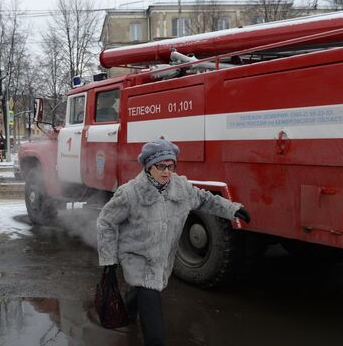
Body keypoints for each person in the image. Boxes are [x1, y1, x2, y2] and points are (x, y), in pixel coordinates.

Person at [96, 138, 250, 345]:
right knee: (152, 310)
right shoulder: (130, 193)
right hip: (137, 256)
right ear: (149, 166)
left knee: (142, 290)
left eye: (171, 165)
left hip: (162, 256)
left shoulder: (181, 188)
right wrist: (109, 261)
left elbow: (205, 199)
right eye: (161, 166)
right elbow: (106, 222)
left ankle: (130, 310)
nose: (167, 171)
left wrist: (232, 209)